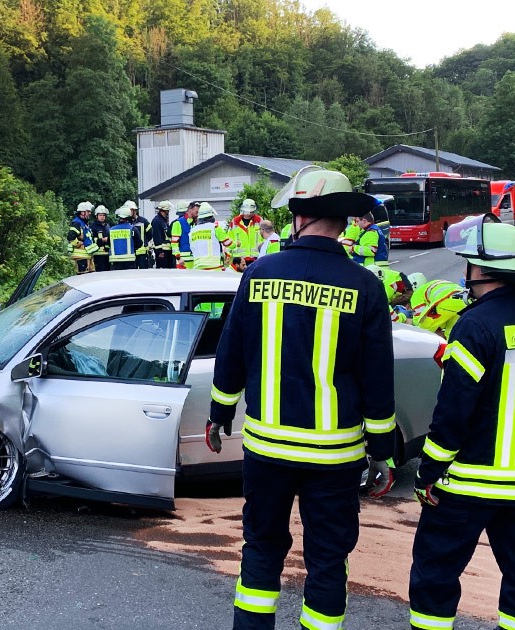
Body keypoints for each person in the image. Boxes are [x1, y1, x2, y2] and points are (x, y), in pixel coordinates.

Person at [208, 166, 397, 630]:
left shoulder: (260, 274)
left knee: (262, 550)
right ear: (344, 220)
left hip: (267, 449)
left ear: (297, 217)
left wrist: (219, 411)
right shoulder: (365, 286)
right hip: (334, 456)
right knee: (328, 560)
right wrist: (384, 453)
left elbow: (231, 351)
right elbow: (377, 380)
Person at [408, 213, 515, 630]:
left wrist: (429, 471)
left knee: (435, 573)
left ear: (481, 270)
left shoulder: (473, 327)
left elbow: (454, 410)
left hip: (468, 481)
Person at [189, 202, 232, 271]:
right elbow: (228, 244)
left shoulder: (192, 231)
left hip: (198, 267)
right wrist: (237, 244)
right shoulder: (215, 228)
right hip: (214, 267)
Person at [228, 198, 264, 268]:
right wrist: (228, 255)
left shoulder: (259, 221)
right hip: (239, 259)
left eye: (251, 212)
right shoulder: (235, 222)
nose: (249, 214)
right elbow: (229, 238)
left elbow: (264, 237)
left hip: (256, 258)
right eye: (247, 212)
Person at [68, 201, 99, 274]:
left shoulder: (84, 223)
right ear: (82, 212)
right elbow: (70, 237)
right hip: (81, 257)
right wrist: (78, 244)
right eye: (88, 212)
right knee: (82, 279)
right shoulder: (77, 223)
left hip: (87, 256)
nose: (90, 213)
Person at [123, 200, 153, 269]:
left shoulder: (143, 221)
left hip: (142, 252)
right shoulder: (125, 222)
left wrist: (145, 243)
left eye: (130, 210)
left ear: (134, 210)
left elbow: (150, 234)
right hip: (130, 253)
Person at [109, 206, 139, 270]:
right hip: (130, 261)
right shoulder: (133, 229)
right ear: (129, 217)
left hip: (115, 262)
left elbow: (109, 243)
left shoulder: (111, 230)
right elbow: (139, 243)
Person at [172, 201, 198, 269]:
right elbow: (174, 243)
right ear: (190, 209)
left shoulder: (196, 223)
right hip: (183, 261)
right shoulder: (178, 223)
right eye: (196, 212)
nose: (198, 214)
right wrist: (178, 257)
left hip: (195, 260)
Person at [150, 200, 176, 269]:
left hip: (167, 250)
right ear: (164, 210)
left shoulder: (163, 221)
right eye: (168, 211)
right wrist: (160, 251)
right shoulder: (156, 221)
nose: (168, 213)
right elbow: (156, 237)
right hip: (162, 252)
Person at [90, 206, 112, 273]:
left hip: (107, 254)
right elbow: (92, 240)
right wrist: (102, 240)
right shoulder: (93, 227)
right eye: (100, 215)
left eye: (103, 215)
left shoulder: (107, 226)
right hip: (98, 255)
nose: (102, 217)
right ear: (96, 216)